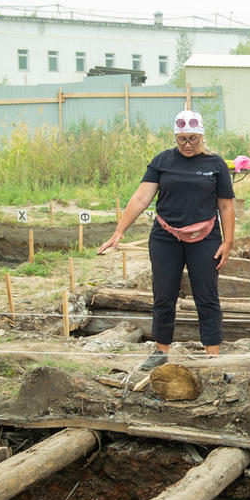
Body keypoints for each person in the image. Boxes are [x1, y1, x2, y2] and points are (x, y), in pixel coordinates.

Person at [98, 110, 235, 371]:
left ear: (202, 136)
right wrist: (119, 231)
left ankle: (212, 355)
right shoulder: (162, 161)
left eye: (193, 139)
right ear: (175, 136)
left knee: (206, 296)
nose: (188, 144)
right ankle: (161, 351)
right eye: (182, 139)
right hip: (166, 237)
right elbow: (141, 198)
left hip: (205, 238)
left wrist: (227, 243)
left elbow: (226, 207)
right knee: (163, 295)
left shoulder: (215, 165)